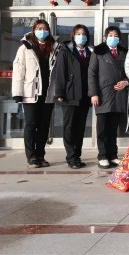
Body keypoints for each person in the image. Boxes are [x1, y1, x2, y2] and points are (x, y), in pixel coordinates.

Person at [12, 19, 59, 168]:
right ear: (33, 30)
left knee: (44, 126)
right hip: (30, 92)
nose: (42, 31)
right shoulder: (25, 48)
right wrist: (17, 92)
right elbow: (19, 71)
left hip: (48, 93)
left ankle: (40, 155)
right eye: (39, 28)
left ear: (49, 31)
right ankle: (31, 157)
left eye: (44, 28)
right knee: (31, 124)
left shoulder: (55, 48)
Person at [51, 24, 93, 169]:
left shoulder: (90, 52)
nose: (81, 36)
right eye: (78, 33)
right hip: (70, 94)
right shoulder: (65, 51)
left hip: (84, 95)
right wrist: (59, 93)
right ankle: (71, 157)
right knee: (70, 127)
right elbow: (60, 72)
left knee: (80, 127)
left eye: (84, 34)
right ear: (73, 36)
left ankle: (77, 156)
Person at [88, 26, 128, 169]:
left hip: (119, 94)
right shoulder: (98, 51)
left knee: (113, 127)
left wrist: (126, 82)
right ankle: (103, 155)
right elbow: (92, 73)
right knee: (102, 128)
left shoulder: (124, 52)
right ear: (106, 37)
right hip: (103, 94)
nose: (113, 38)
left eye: (116, 35)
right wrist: (94, 93)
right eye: (110, 35)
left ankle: (113, 154)